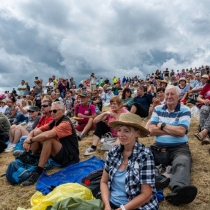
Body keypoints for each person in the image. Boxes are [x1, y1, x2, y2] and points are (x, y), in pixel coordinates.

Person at [148, 85, 197, 206]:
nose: (169, 96)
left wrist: (162, 125)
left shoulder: (185, 109)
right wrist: (173, 129)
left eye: (172, 94)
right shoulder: (158, 108)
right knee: (142, 156)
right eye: (167, 94)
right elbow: (151, 130)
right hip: (158, 147)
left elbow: (181, 132)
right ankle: (158, 178)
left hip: (179, 147)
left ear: (179, 96)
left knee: (183, 161)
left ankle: (178, 190)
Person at [100, 113, 158, 210]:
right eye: (119, 130)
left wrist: (122, 209)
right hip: (112, 204)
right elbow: (104, 182)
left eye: (126, 131)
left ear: (137, 133)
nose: (121, 135)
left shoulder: (145, 155)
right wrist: (107, 205)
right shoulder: (113, 152)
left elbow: (146, 194)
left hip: (137, 206)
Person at [21, 101, 79, 186]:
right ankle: (31, 155)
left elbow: (47, 135)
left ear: (63, 111)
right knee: (38, 134)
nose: (52, 113)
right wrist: (28, 139)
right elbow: (35, 131)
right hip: (60, 151)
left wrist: (30, 140)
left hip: (69, 156)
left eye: (54, 111)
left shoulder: (65, 123)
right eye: (51, 111)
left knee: (48, 140)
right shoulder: (54, 121)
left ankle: (38, 172)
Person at [194, 79, 210, 144]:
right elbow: (198, 98)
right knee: (204, 109)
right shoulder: (207, 86)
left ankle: (204, 132)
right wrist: (204, 101)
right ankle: (206, 136)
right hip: (206, 104)